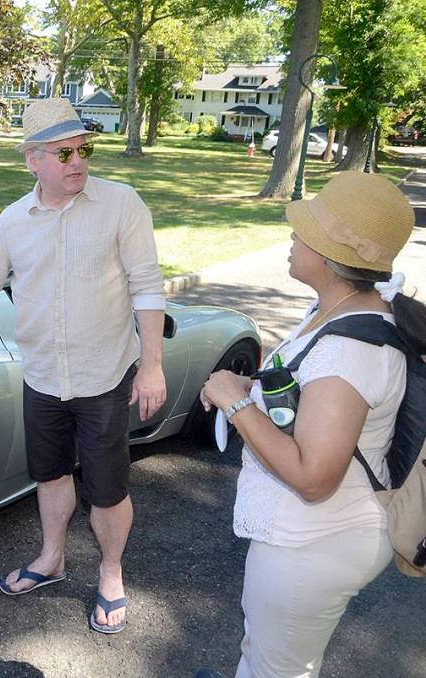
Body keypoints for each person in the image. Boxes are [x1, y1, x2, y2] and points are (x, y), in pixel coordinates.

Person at [0, 97, 167, 634]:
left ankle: (111, 574)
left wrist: (152, 366)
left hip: (105, 379)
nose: (77, 162)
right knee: (48, 476)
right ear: (32, 160)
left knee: (108, 489)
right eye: (63, 152)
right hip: (43, 377)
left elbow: (147, 287)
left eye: (83, 149)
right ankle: (51, 559)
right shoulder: (11, 222)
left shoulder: (122, 204)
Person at [199, 171, 426, 677]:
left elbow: (313, 478)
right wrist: (244, 389)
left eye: (304, 232)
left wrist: (236, 406)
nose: (293, 236)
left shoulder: (348, 351)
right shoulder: (343, 307)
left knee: (279, 669)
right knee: (266, 652)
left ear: (328, 256)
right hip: (316, 536)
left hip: (312, 544)